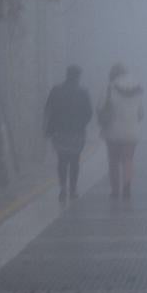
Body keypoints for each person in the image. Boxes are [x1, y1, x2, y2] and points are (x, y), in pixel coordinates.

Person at [44, 65, 93, 202]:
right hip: (77, 132)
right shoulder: (83, 93)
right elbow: (89, 113)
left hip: (59, 132)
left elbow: (48, 109)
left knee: (62, 160)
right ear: (78, 76)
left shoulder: (56, 90)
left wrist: (50, 128)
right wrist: (82, 123)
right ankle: (73, 188)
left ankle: (62, 188)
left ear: (67, 75)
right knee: (75, 160)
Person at [99, 63, 143, 199]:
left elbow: (101, 107)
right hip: (132, 131)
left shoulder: (110, 87)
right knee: (128, 159)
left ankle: (115, 190)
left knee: (113, 161)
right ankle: (127, 187)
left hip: (113, 131)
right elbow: (141, 113)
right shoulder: (138, 88)